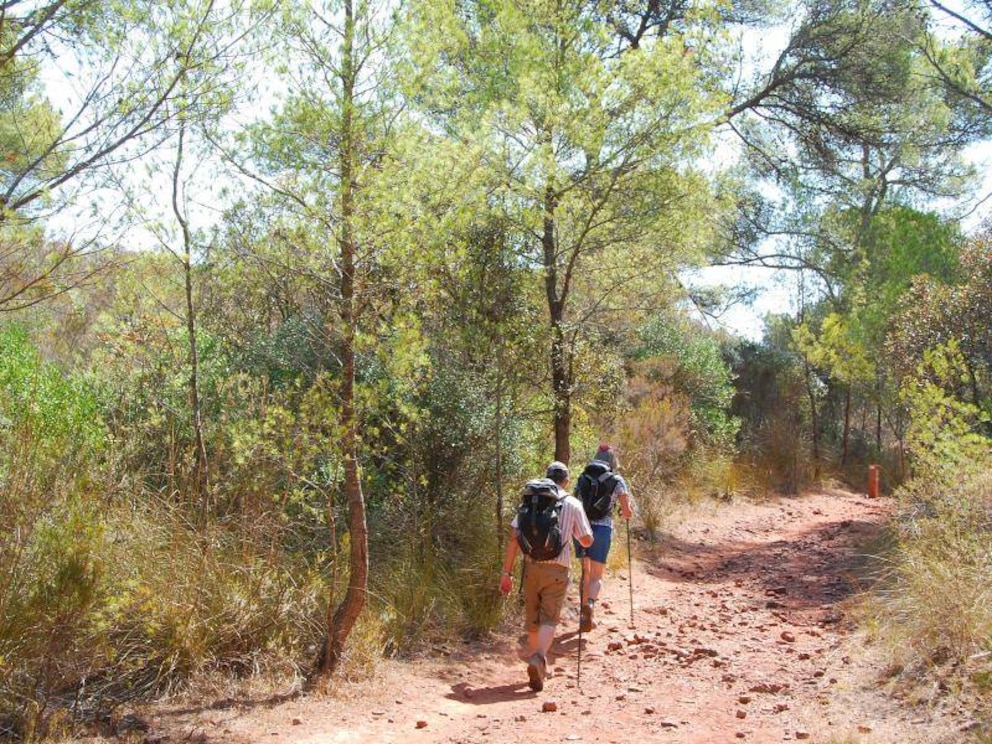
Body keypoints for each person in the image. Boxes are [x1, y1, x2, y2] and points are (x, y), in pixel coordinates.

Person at [499, 460, 593, 692]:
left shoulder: (531, 501)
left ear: (547, 476)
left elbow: (514, 538)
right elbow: (587, 539)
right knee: (549, 618)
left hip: (531, 567)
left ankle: (537, 661)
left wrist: (506, 572)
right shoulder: (572, 503)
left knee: (533, 619)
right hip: (558, 569)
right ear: (566, 480)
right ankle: (539, 658)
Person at [576, 443, 634, 633]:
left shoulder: (583, 477)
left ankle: (582, 611)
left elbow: (575, 502)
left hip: (582, 529)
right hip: (602, 529)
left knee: (585, 572)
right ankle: (590, 605)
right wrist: (625, 513)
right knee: (596, 575)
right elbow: (626, 511)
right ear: (612, 461)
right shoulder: (616, 480)